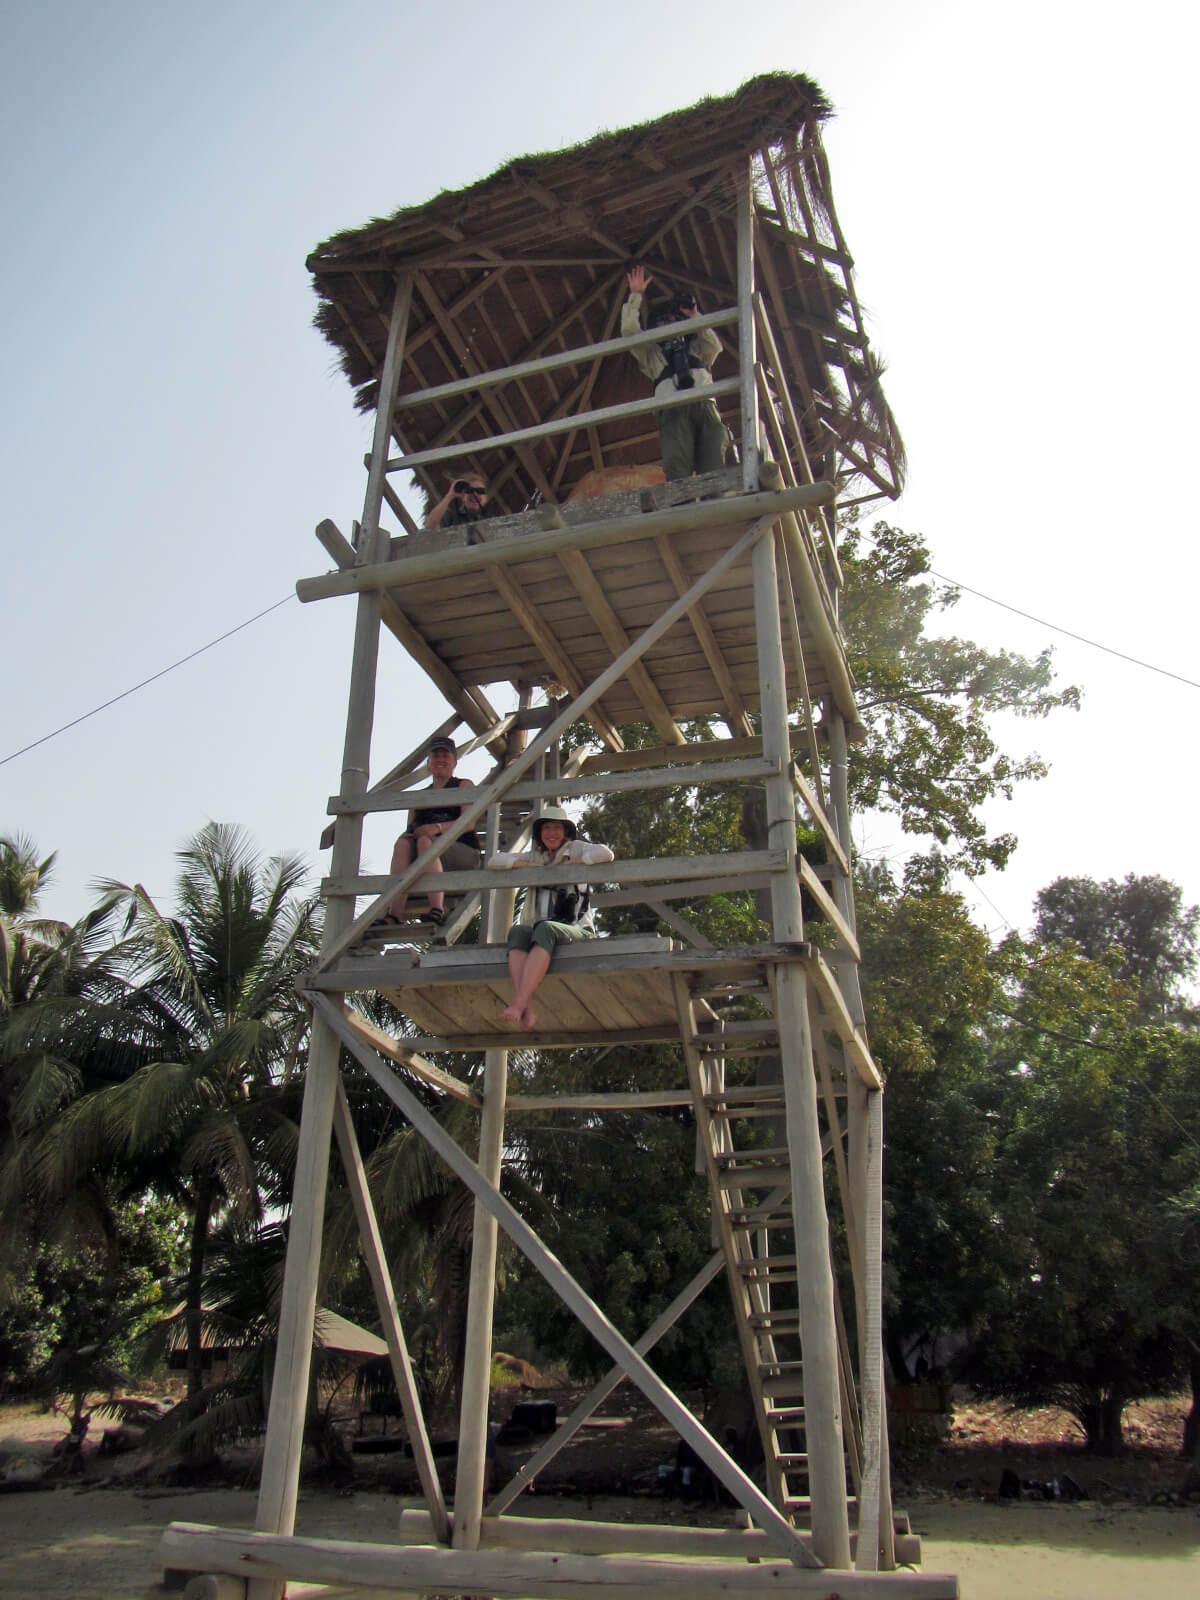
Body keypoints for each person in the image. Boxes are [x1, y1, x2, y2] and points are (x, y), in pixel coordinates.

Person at [487, 807, 614, 1030]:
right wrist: (527, 866)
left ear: (565, 831)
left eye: (556, 828)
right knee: (517, 932)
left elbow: (606, 854)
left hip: (576, 930)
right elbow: (495, 861)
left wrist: (577, 862)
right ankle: (526, 1007)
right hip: (541, 931)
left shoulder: (575, 848)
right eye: (546, 828)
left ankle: (518, 1005)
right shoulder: (537, 856)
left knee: (545, 928)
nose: (551, 833)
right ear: (540, 833)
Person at [621, 263, 728, 482]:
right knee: (678, 470)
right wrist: (635, 296)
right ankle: (684, 508)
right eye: (664, 324)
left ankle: (715, 505)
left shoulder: (697, 347)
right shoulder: (651, 354)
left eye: (673, 322)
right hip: (672, 408)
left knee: (714, 467)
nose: (669, 326)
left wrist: (695, 316)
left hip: (704, 404)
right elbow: (629, 331)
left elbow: (715, 347)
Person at [382, 736, 479, 928]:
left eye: (445, 755)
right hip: (427, 854)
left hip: (461, 852)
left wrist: (437, 829)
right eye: (436, 756)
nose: (440, 760)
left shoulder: (463, 785)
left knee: (425, 841)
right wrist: (411, 836)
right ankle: (395, 913)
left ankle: (437, 908)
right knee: (403, 844)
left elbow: (469, 823)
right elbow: (410, 830)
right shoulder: (420, 797)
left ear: (454, 761)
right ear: (429, 762)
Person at [424, 474, 492, 530]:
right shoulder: (451, 517)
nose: (475, 494)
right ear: (462, 496)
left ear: (486, 497)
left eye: (480, 491)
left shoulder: (492, 520)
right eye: (470, 491)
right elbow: (430, 527)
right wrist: (450, 495)